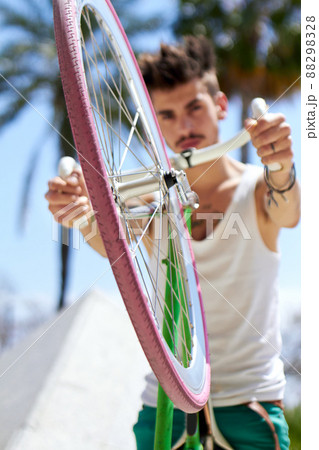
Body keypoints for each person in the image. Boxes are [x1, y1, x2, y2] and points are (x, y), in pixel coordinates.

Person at [45, 36, 300, 449]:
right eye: (166, 114)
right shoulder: (144, 203)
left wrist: (282, 164)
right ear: (153, 124)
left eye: (194, 108)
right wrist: (74, 210)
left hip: (248, 404)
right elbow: (108, 239)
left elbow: (288, 209)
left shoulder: (256, 188)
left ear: (219, 105)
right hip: (165, 404)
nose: (184, 126)